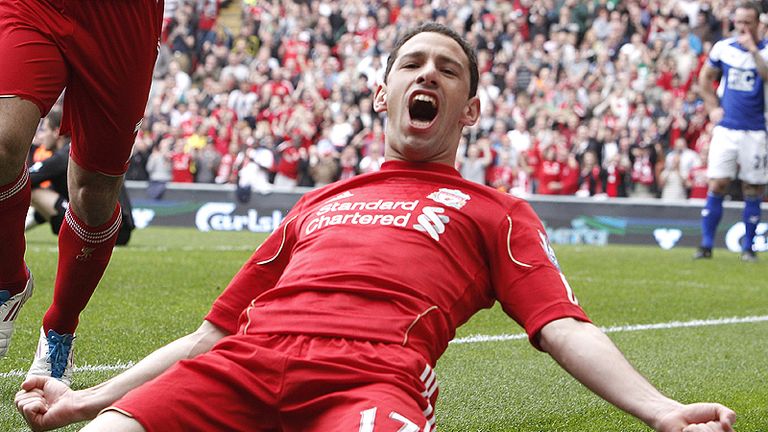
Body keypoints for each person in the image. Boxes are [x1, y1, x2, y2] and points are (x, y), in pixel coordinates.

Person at [16, 23, 736, 432]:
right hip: (240, 369)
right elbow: (212, 336)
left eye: (448, 70)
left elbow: (562, 326)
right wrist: (86, 401)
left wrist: (661, 410)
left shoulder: (495, 211)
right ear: (380, 93)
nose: (428, 75)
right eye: (413, 64)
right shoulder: (316, 204)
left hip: (370, 382)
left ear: (471, 110)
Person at [0, 0, 163, 386]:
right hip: (33, 6)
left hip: (123, 19)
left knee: (93, 194)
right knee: (3, 144)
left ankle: (60, 328)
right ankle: (7, 283)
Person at [695, 1, 768, 262]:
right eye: (739, 22)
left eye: (748, 22)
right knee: (717, 182)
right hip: (727, 128)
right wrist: (712, 107)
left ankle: (749, 248)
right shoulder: (723, 48)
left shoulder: (766, 50)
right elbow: (704, 79)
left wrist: (754, 51)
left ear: (759, 23)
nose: (743, 27)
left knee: (753, 187)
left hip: (757, 130)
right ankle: (705, 245)